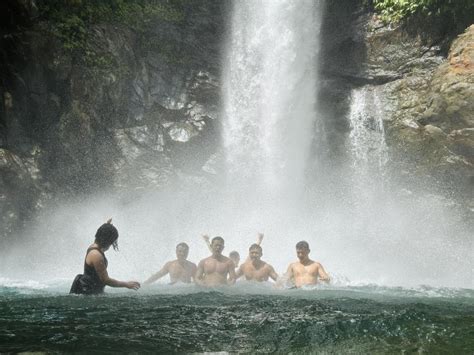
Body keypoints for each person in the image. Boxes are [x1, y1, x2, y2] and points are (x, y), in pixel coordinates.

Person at [70, 219, 140, 295]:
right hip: (87, 293)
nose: (111, 245)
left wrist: (107, 226)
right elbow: (106, 280)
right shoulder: (96, 255)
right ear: (106, 241)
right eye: (111, 242)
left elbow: (103, 233)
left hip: (93, 291)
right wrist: (126, 284)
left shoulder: (95, 246)